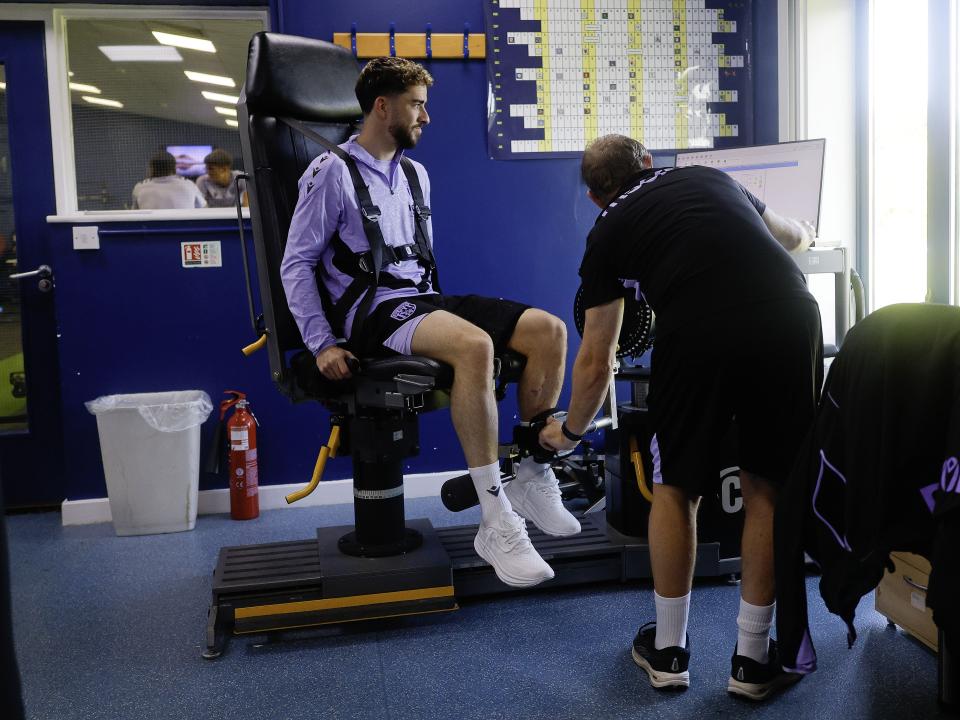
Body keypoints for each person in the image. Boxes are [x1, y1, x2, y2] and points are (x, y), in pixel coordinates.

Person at [540, 134, 822, 700]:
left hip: (694, 330)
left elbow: (598, 357)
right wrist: (810, 233)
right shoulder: (711, 178)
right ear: (649, 163)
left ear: (596, 196)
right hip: (790, 314)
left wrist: (568, 432)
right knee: (765, 486)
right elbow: (789, 235)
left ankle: (668, 653)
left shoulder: (605, 232)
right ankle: (752, 659)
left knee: (676, 487)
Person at [281, 57, 576, 588]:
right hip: (369, 312)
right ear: (382, 106)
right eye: (417, 104)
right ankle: (495, 517)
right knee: (475, 347)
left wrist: (435, 310)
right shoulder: (331, 173)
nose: (426, 117)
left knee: (549, 330)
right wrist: (321, 341)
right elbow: (296, 262)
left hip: (421, 299)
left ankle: (532, 472)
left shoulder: (415, 174)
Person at [131, 151, 206, 210]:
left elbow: (135, 213)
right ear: (174, 167)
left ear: (152, 168)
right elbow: (202, 208)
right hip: (184, 228)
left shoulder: (140, 187)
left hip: (151, 229)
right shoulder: (189, 185)